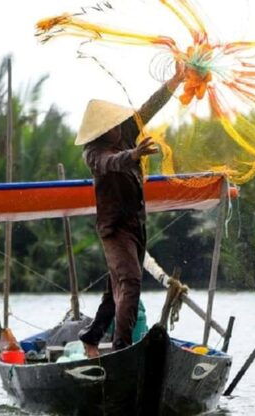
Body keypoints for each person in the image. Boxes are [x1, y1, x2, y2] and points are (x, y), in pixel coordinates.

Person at [77, 62, 185, 357]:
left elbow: (150, 107)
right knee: (131, 281)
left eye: (117, 123)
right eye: (110, 126)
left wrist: (175, 81)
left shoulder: (125, 132)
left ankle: (92, 335)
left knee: (117, 289)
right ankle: (123, 349)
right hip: (114, 229)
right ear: (100, 131)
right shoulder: (94, 152)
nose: (117, 126)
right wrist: (133, 154)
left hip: (136, 225)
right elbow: (113, 162)